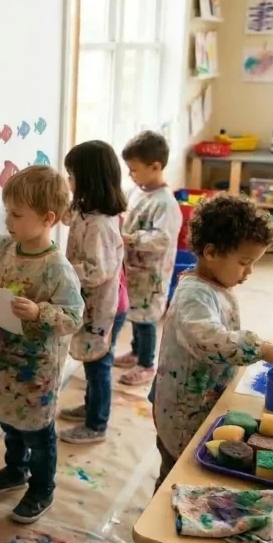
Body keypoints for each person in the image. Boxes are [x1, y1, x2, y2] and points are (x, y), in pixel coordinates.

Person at [0, 165, 84, 524]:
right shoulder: (2, 248)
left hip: (35, 372)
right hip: (2, 362)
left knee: (37, 430)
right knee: (8, 420)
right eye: (7, 212)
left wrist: (38, 311)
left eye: (16, 214)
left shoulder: (57, 269)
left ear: (47, 218)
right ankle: (16, 469)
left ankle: (42, 487)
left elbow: (74, 318)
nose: (8, 221)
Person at [153, 193, 273, 492]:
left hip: (204, 398)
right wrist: (258, 348)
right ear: (212, 252)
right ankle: (159, 526)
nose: (249, 272)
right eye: (244, 262)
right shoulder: (194, 294)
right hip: (183, 412)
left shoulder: (215, 284)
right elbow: (209, 340)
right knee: (178, 476)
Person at [57, 140, 128, 444]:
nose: (69, 182)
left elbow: (97, 272)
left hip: (106, 307)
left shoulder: (101, 224)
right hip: (97, 304)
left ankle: (97, 424)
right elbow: (66, 216)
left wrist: (61, 270)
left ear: (88, 179)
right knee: (92, 361)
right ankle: (91, 408)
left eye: (71, 176)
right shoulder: (86, 209)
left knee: (99, 365)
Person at [114, 131, 183, 388]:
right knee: (135, 314)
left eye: (134, 170)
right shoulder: (137, 192)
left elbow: (161, 239)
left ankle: (146, 363)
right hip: (133, 269)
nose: (131, 175)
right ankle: (135, 351)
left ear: (155, 167)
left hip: (151, 274)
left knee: (146, 319)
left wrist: (130, 238)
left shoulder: (166, 203)